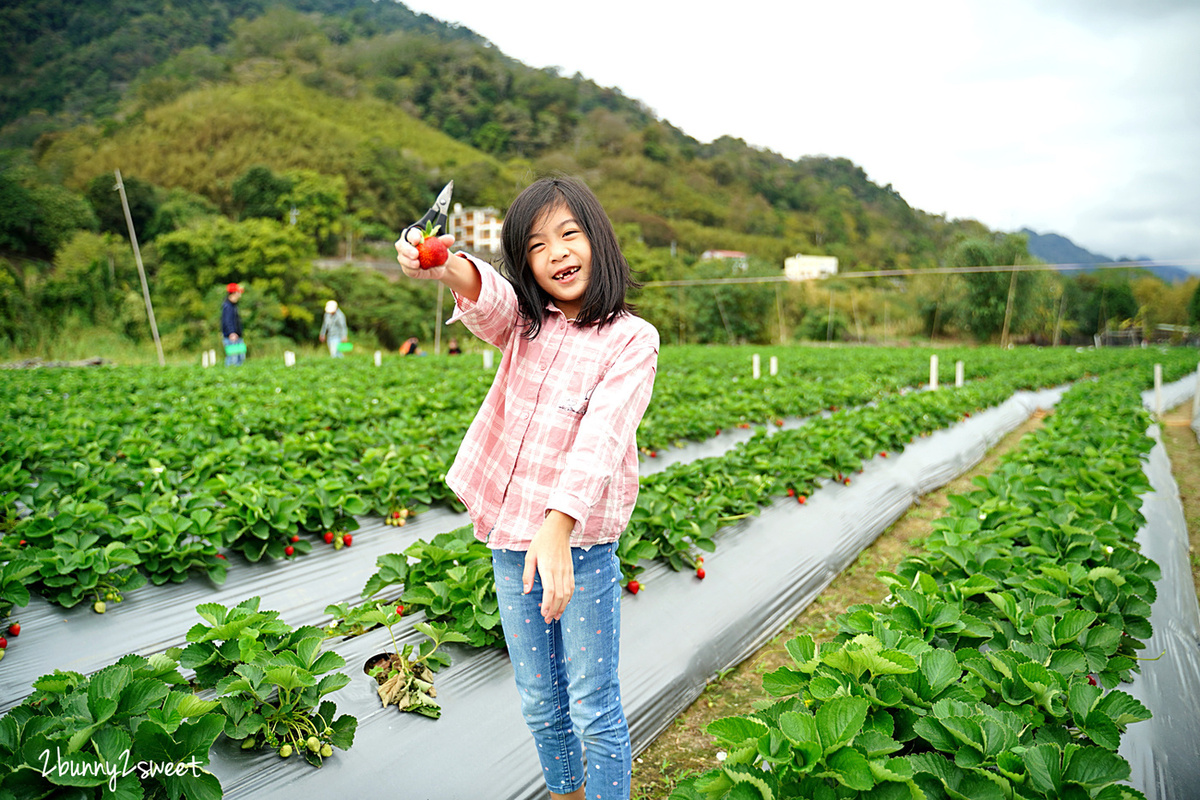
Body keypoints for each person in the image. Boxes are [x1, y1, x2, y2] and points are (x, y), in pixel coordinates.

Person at [395, 176, 658, 800]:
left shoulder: (631, 339)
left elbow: (603, 439)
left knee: (594, 705)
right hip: (511, 542)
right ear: (526, 264)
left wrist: (559, 527)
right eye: (538, 246)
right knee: (542, 702)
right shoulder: (526, 324)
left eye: (570, 235)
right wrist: (440, 261)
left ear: (599, 240)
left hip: (581, 548)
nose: (559, 253)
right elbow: (484, 295)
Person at [221, 283, 245, 366]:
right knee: (233, 359)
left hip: (236, 335)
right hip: (232, 336)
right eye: (238, 292)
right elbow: (227, 321)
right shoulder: (228, 306)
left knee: (239, 358)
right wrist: (232, 332)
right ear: (233, 293)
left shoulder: (233, 305)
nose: (240, 295)